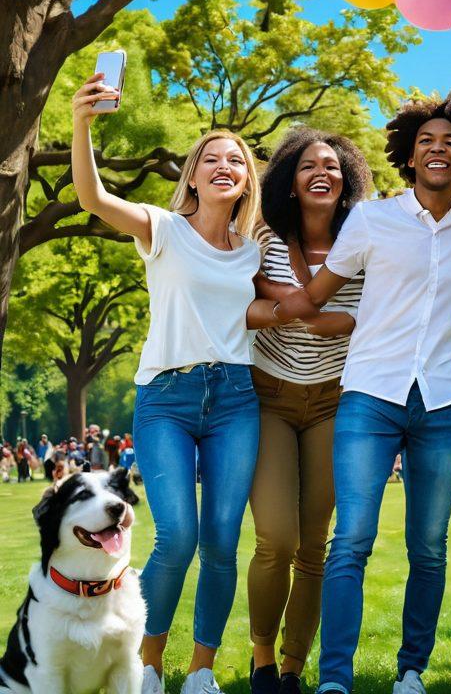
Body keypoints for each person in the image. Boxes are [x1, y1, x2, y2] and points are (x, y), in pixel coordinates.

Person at [277, 92, 451, 694]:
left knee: (429, 546)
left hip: (443, 402)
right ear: (409, 154)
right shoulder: (372, 219)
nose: (437, 149)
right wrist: (255, 306)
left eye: (450, 142)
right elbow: (316, 294)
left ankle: (411, 671)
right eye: (426, 141)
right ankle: (335, 679)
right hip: (370, 396)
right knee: (351, 540)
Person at [72, 72, 263, 694]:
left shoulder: (253, 251)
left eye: (236, 160)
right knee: (177, 536)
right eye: (211, 159)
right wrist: (82, 123)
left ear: (247, 180)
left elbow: (271, 307)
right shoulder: (162, 227)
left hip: (235, 399)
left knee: (223, 542)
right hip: (167, 400)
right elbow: (92, 197)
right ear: (193, 176)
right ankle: (146, 665)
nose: (224, 166)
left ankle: (201, 671)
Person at [244, 129, 372, 694]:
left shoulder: (365, 238)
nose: (322, 173)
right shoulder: (263, 236)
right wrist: (293, 305)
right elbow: (240, 302)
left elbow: (364, 317)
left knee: (314, 544)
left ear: (348, 180)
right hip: (268, 396)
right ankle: (261, 659)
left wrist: (290, 305)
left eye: (333, 166)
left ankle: (293, 668)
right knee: (275, 536)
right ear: (290, 183)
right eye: (308, 166)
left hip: (333, 402)